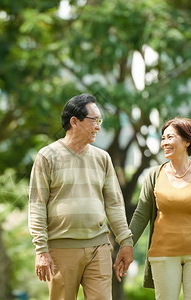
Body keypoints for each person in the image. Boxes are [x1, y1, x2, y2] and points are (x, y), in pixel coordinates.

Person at [28, 93, 134, 300]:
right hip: (61, 248)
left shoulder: (102, 158)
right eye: (94, 120)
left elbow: (114, 204)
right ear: (74, 121)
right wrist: (41, 250)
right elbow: (37, 205)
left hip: (99, 246)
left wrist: (126, 241)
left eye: (100, 121)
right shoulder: (47, 156)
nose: (99, 126)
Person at [114, 117, 191, 300]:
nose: (164, 142)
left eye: (170, 137)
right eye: (163, 138)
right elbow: (141, 214)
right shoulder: (154, 175)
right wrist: (127, 244)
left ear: (187, 141)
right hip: (163, 254)